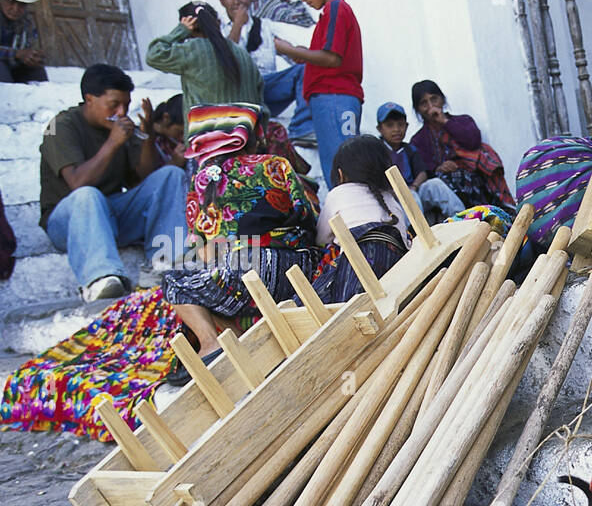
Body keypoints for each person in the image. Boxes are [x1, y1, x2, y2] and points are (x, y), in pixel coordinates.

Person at [164, 103, 319, 380]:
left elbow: (202, 250)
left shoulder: (200, 182)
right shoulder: (275, 164)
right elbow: (306, 213)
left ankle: (211, 344)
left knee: (175, 281)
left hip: (243, 274)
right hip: (295, 270)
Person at [39, 64, 187, 301]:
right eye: (114, 105)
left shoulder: (121, 128)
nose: (121, 112)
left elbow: (146, 180)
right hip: (69, 223)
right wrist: (113, 142)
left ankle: (167, 263)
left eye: (126, 105)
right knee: (88, 194)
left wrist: (146, 134)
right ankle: (100, 279)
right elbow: (77, 182)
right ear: (89, 99)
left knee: (171, 175)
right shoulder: (61, 126)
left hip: (111, 217)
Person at [275, 0, 363, 190]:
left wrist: (290, 50)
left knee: (343, 169)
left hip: (335, 97)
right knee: (341, 168)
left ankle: (353, 223)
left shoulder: (335, 7)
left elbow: (332, 58)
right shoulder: (333, 11)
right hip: (334, 100)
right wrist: (304, 53)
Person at [311, 134, 410, 303]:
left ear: (340, 174)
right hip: (396, 273)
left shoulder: (338, 195)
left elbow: (321, 238)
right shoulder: (392, 201)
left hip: (355, 274)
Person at [217, 0, 313, 143]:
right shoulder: (218, 29)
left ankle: (302, 131)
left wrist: (298, 54)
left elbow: (290, 53)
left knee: (305, 70)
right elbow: (227, 60)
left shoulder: (265, 27)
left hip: (265, 91)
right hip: (237, 95)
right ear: (222, 1)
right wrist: (238, 24)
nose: (236, 1)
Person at [410, 80, 515, 211]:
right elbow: (424, 168)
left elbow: (473, 141)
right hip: (447, 186)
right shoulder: (418, 140)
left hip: (475, 179)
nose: (431, 106)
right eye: (424, 103)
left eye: (434, 99)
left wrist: (444, 121)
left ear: (442, 99)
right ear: (418, 109)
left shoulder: (464, 121)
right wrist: (440, 167)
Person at [146, 1, 264, 118]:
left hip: (207, 135)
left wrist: (180, 31)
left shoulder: (191, 51)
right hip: (245, 134)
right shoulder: (242, 54)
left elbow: (153, 55)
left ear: (189, 31)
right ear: (218, 23)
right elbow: (261, 104)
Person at [376, 101, 465, 223]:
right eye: (390, 125)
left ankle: (463, 220)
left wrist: (414, 187)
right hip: (390, 198)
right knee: (410, 197)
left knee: (435, 184)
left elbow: (422, 172)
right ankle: (416, 235)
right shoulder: (376, 150)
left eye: (400, 125)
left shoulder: (409, 149)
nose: (396, 129)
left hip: (413, 192)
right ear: (380, 129)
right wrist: (399, 192)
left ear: (406, 126)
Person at [0, 0, 45, 83]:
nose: (16, 9)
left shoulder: (26, 22)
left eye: (21, 5)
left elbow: (31, 45)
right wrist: (17, 53)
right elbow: (19, 53)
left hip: (13, 66)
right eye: (11, 2)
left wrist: (34, 56)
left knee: (37, 71)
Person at [151, 94, 187, 167]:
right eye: (180, 132)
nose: (183, 138)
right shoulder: (150, 141)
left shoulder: (169, 138)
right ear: (166, 118)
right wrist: (174, 163)